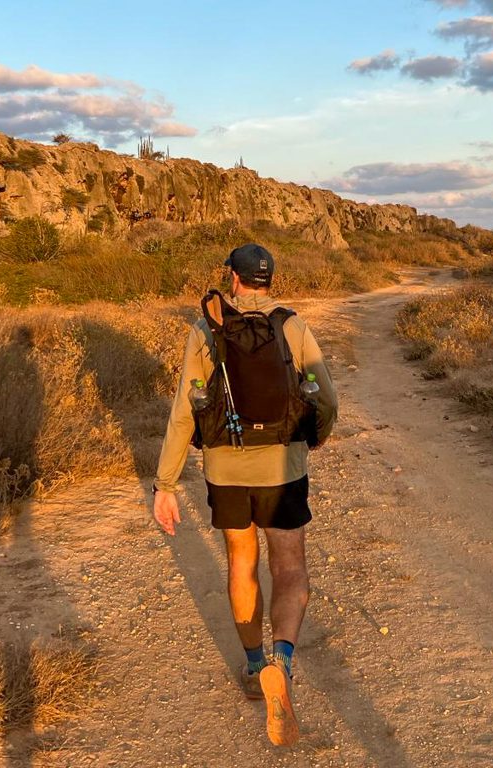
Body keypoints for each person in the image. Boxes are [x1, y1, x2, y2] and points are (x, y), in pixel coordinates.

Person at [152, 242, 338, 747]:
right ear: (268, 279)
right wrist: (311, 438)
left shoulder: (205, 330)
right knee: (290, 567)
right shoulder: (291, 325)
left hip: (225, 468)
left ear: (231, 278)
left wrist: (165, 484)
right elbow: (328, 398)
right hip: (283, 467)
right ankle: (283, 659)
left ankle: (255, 665)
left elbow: (184, 411)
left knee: (241, 562)